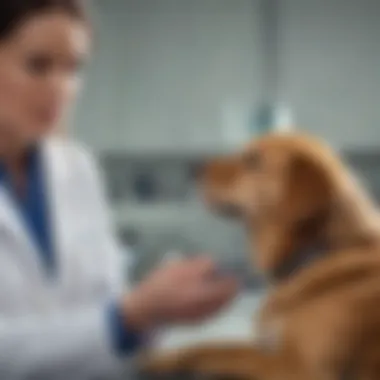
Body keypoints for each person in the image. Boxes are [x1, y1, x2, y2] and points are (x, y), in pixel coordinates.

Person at [0, 1, 239, 379]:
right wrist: (130, 314)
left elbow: (108, 314)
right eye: (38, 66)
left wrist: (160, 308)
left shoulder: (78, 169)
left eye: (74, 68)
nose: (62, 88)